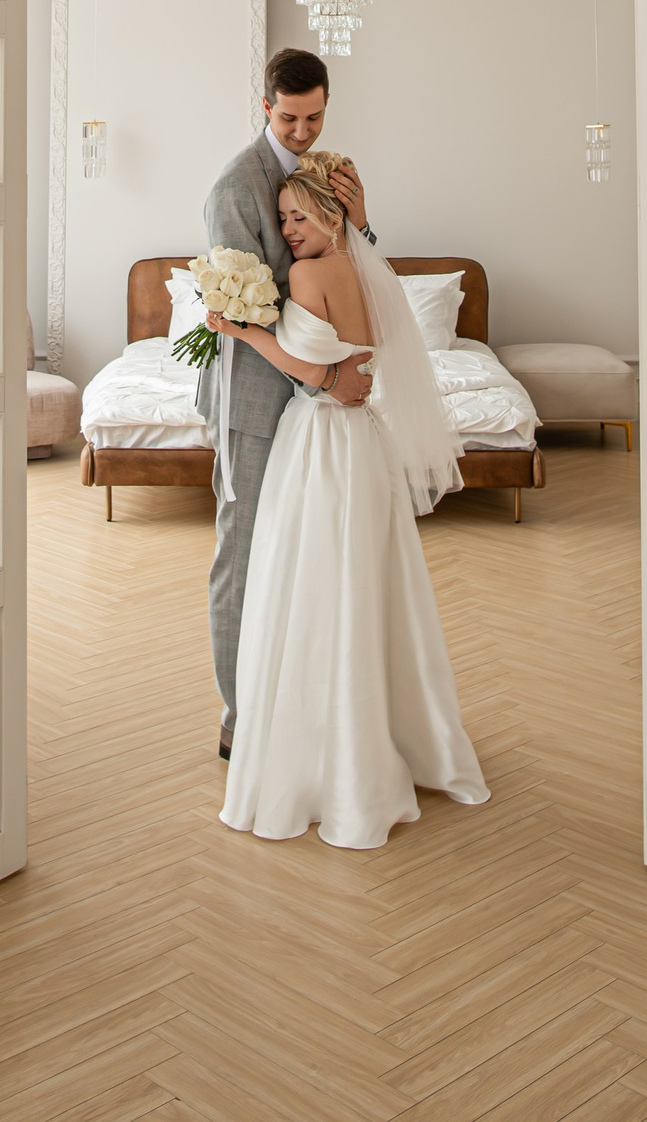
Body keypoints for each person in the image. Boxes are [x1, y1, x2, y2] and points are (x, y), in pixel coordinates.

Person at [206, 155, 488, 849]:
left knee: (310, 580)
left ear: (332, 215)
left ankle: (314, 742)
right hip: (366, 443)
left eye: (299, 217)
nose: (288, 231)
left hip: (319, 441)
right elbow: (367, 358)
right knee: (366, 581)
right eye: (282, 219)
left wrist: (241, 331)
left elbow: (310, 369)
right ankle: (377, 731)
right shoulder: (370, 271)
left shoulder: (307, 275)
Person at [200, 47, 376, 758]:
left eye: (315, 118)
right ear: (266, 107)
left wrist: (361, 219)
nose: (303, 132)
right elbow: (246, 310)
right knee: (242, 555)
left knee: (303, 557)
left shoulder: (326, 173)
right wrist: (326, 379)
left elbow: (350, 271)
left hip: (312, 413)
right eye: (290, 119)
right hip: (255, 397)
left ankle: (301, 702)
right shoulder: (234, 188)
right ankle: (240, 719)